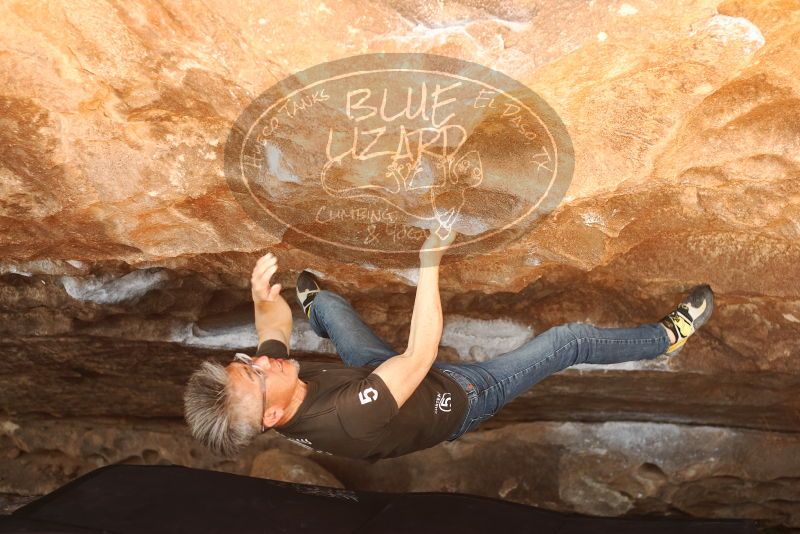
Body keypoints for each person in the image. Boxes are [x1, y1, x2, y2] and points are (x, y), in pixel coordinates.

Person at [183, 231, 714, 460]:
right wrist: (430, 264)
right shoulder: (348, 418)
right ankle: (666, 337)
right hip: (456, 396)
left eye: (245, 361)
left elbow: (272, 330)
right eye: (256, 372)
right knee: (566, 341)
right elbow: (421, 354)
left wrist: (261, 298)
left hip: (378, 379)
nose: (260, 360)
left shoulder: (274, 385)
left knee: (332, 310)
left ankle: (320, 312)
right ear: (273, 416)